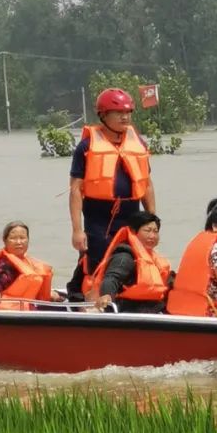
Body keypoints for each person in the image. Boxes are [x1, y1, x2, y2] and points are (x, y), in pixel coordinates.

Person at [67, 88, 156, 297]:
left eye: (128, 112)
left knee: (131, 262)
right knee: (97, 264)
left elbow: (147, 184)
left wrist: (152, 221)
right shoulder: (86, 147)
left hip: (131, 214)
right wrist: (77, 230)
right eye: (119, 113)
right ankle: (88, 299)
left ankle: (126, 301)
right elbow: (75, 190)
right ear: (103, 115)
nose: (125, 117)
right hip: (99, 217)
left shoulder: (138, 143)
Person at [88, 211, 171, 313]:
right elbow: (111, 278)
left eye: (155, 231)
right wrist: (107, 294)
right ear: (133, 232)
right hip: (129, 309)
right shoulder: (125, 257)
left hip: (151, 307)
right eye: (147, 230)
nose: (152, 236)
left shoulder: (153, 258)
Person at [0, 221, 62, 309]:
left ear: (28, 239)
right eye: (13, 238)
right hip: (9, 311)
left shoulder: (26, 261)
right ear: (5, 241)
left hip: (28, 306)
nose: (18, 242)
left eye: (22, 238)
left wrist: (49, 293)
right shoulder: (5, 264)